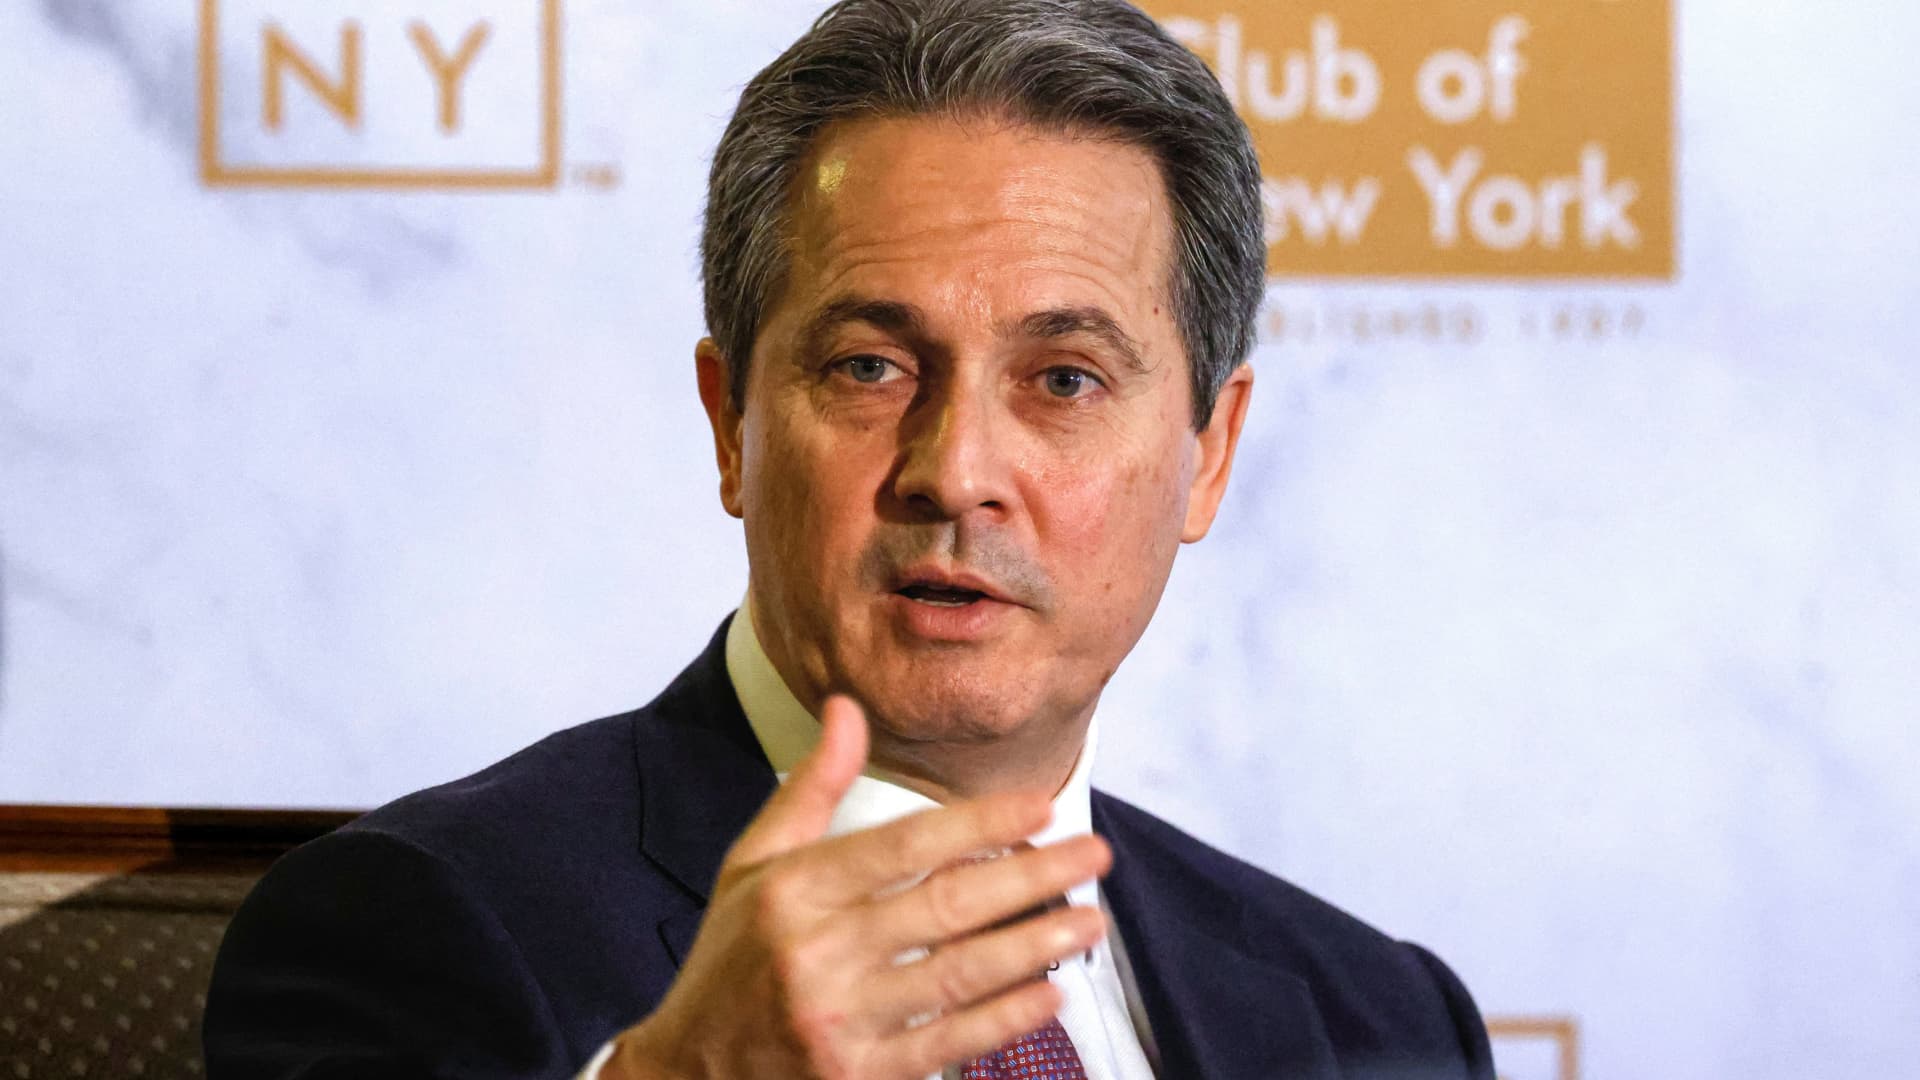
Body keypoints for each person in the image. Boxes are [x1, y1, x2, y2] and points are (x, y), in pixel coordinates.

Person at [204, 1, 1495, 1077]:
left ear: (1208, 454)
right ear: (732, 425)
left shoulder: (1377, 1019)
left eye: (1064, 379)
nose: (958, 473)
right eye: (872, 367)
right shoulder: (416, 928)